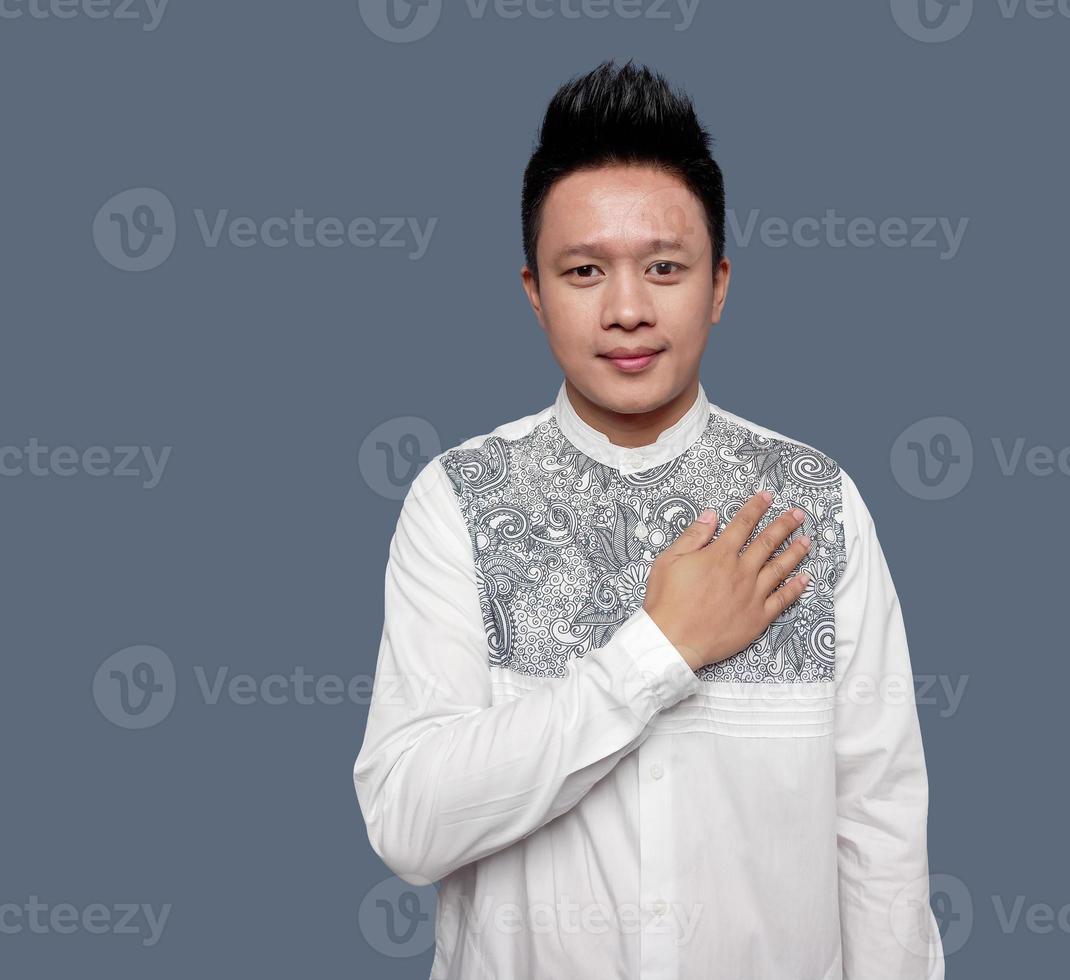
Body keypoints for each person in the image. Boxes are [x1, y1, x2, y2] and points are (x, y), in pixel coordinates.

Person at [352, 58, 944, 980]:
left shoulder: (811, 505)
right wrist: (660, 648)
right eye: (584, 270)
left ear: (717, 284)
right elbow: (410, 822)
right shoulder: (461, 501)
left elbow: (879, 838)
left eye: (663, 267)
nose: (627, 309)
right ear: (533, 292)